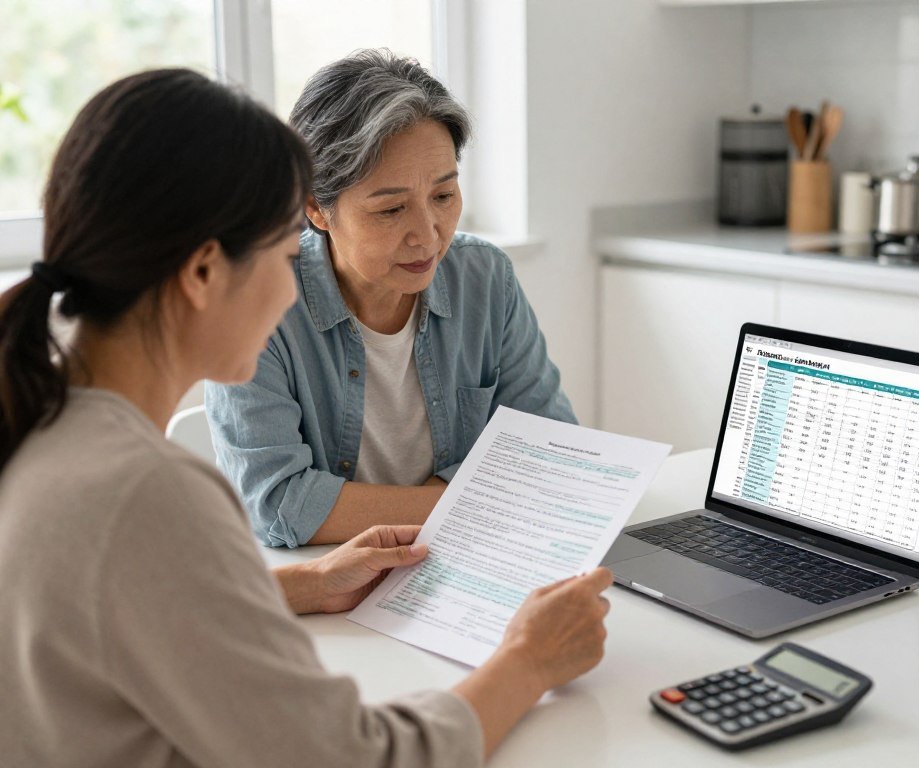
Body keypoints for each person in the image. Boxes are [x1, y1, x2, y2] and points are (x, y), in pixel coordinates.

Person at [0, 68, 613, 768]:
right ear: (203, 274)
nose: (295, 287)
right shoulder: (145, 494)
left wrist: (295, 585)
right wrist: (529, 661)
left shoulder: (44, 428)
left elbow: (115, 612)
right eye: (287, 257)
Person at [206, 50, 574, 548]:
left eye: (443, 197)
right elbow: (280, 505)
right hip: (322, 580)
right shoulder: (255, 304)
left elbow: (553, 451)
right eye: (392, 209)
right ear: (316, 206)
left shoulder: (484, 277)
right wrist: (474, 498)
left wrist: (404, 504)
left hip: (463, 564)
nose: (427, 237)